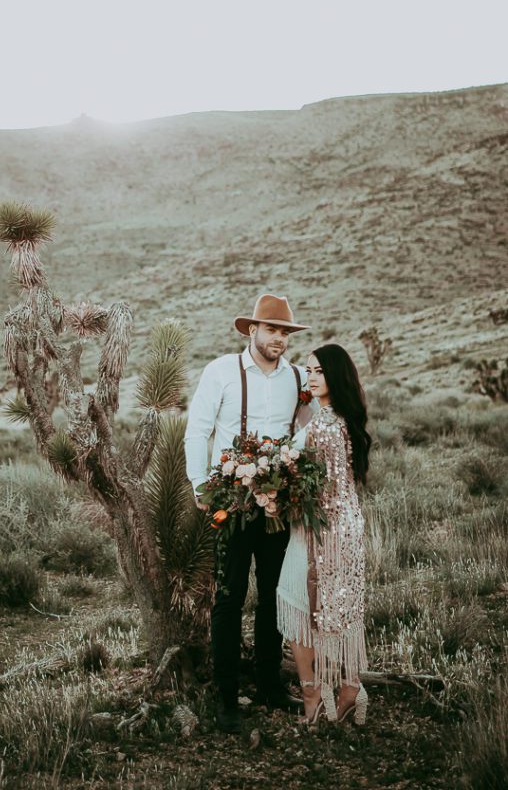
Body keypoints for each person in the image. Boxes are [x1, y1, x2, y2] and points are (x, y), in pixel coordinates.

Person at [184, 294, 315, 733]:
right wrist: (200, 484)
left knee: (275, 595)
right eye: (273, 330)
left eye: (285, 332)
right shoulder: (220, 371)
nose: (280, 338)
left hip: (278, 504)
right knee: (229, 596)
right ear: (252, 331)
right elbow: (198, 428)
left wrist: (296, 476)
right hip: (232, 502)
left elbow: (308, 428)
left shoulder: (297, 378)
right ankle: (226, 698)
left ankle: (269, 686)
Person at [277, 342, 371, 726]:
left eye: (318, 371)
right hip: (347, 526)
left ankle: (313, 695)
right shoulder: (346, 420)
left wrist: (278, 488)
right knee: (342, 609)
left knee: (295, 602)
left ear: (336, 376)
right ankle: (350, 689)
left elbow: (319, 489)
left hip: (320, 530)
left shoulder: (322, 428)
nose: (311, 378)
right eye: (309, 371)